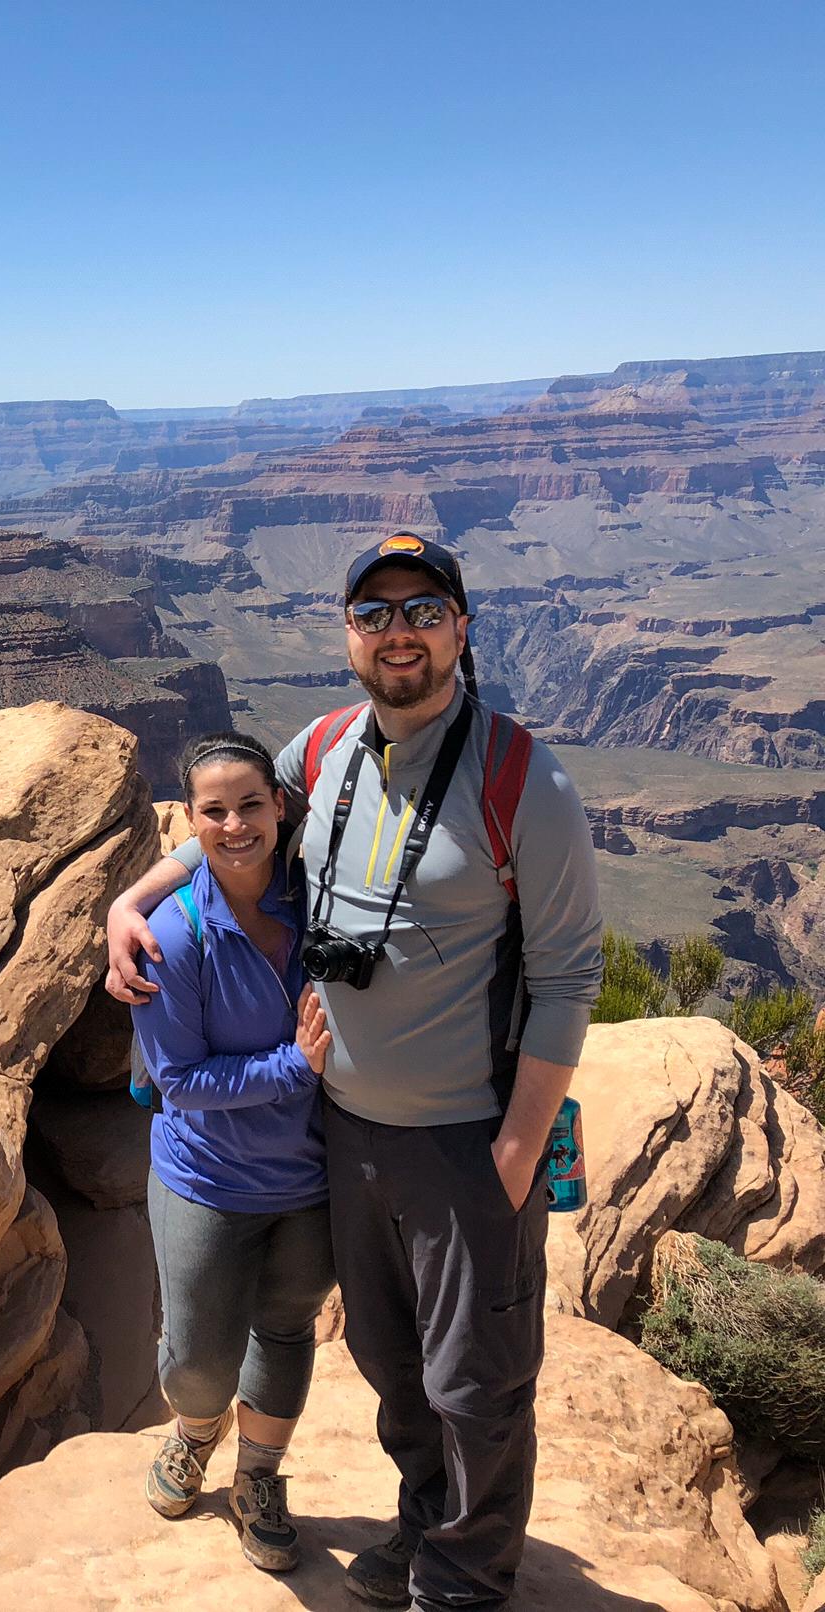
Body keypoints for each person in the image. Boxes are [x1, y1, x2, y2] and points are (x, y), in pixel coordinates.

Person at [105, 534, 603, 1610]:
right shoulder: (323, 746)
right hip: (343, 1132)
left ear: (459, 630)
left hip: (464, 1137)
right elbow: (230, 822)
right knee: (390, 1363)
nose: (398, 633)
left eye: (422, 610)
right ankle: (423, 1522)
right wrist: (131, 901)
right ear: (347, 636)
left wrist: (514, 1151)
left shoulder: (524, 777)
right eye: (374, 614)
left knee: (474, 1380)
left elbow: (569, 975)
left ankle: (463, 1580)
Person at [131, 729, 337, 1574]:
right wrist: (296, 1065)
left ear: (279, 806)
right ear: (189, 820)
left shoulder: (316, 896)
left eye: (252, 804)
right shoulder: (172, 937)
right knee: (196, 1361)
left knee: (286, 1330)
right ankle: (194, 1432)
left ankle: (258, 1480)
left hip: (311, 1178)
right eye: (214, 811)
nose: (236, 824)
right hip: (207, 1177)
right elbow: (178, 1079)